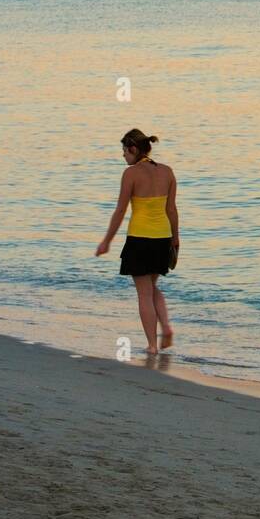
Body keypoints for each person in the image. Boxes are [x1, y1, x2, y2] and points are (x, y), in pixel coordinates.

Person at [96, 130, 179, 354]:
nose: (123, 156)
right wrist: (176, 239)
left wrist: (107, 241)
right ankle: (167, 328)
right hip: (163, 238)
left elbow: (121, 210)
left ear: (133, 149)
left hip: (140, 239)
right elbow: (171, 210)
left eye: (124, 151)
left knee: (144, 294)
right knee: (152, 287)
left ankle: (152, 346)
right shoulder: (168, 172)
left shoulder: (131, 174)